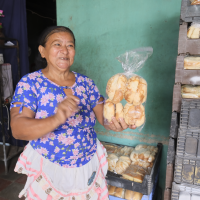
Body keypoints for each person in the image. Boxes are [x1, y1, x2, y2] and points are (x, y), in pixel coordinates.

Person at [10, 26, 136, 200]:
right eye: (57, 44)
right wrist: (57, 118)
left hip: (87, 163)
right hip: (50, 164)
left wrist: (117, 122)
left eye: (70, 45)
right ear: (42, 51)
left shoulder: (86, 83)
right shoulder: (31, 83)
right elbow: (18, 128)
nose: (64, 50)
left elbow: (104, 117)